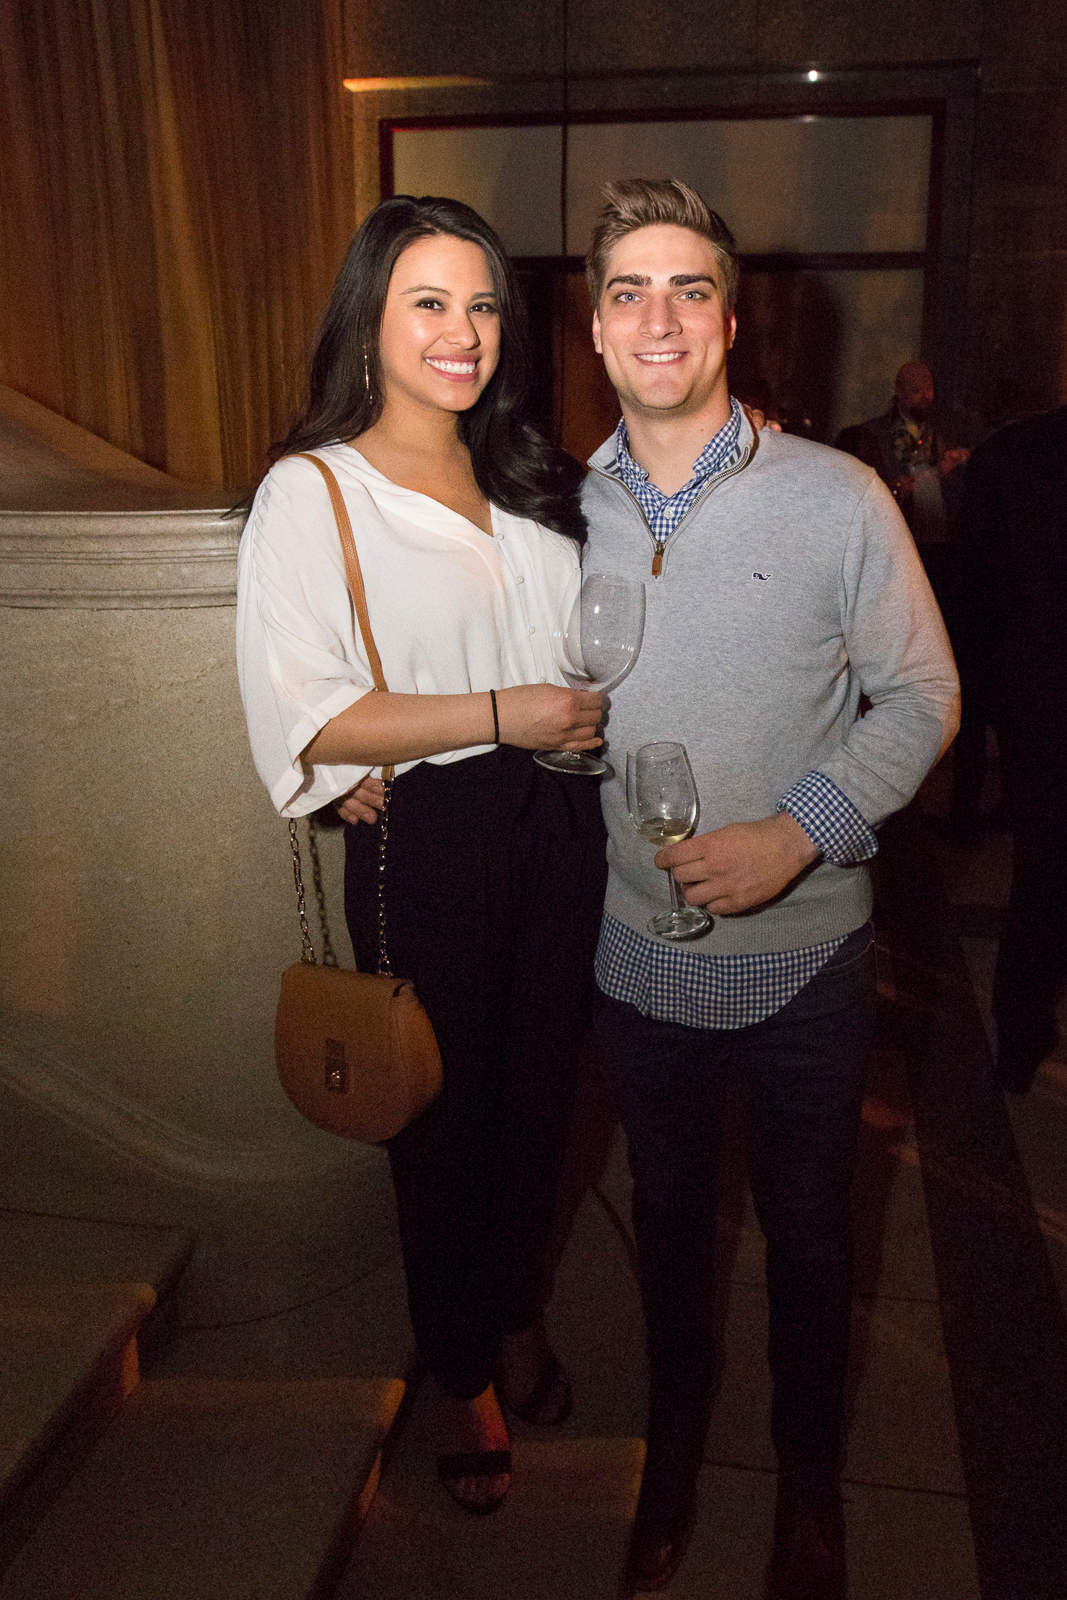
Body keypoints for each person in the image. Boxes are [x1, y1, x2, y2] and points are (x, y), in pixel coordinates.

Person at [579, 180, 959, 1598]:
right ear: (597, 332)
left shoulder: (835, 494)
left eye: (685, 289)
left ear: (730, 321)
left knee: (809, 1243)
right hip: (636, 963)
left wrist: (797, 832)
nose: (657, 316)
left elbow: (922, 697)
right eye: (627, 292)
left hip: (805, 968)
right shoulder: (561, 510)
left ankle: (808, 1485)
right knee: (669, 1237)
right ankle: (672, 1451)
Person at [236, 195, 609, 1516]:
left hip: (562, 824)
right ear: (371, 320)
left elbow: (604, 656)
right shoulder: (315, 488)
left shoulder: (535, 477)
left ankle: (510, 1310)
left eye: (482, 303)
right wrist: (499, 715)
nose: (464, 332)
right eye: (429, 303)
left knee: (537, 1098)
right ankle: (465, 1371)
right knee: (438, 1117)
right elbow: (315, 712)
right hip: (432, 834)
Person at [954, 405, 1067, 1092]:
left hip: (1040, 701)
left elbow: (977, 591)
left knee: (1040, 874)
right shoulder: (1012, 454)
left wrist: (993, 701)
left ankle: (1018, 1042)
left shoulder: (1010, 452)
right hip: (1040, 697)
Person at [835, 361, 971, 610]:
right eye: (917, 390)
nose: (926, 396)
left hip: (939, 536)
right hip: (898, 534)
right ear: (900, 392)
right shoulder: (875, 434)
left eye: (930, 389)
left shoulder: (944, 428)